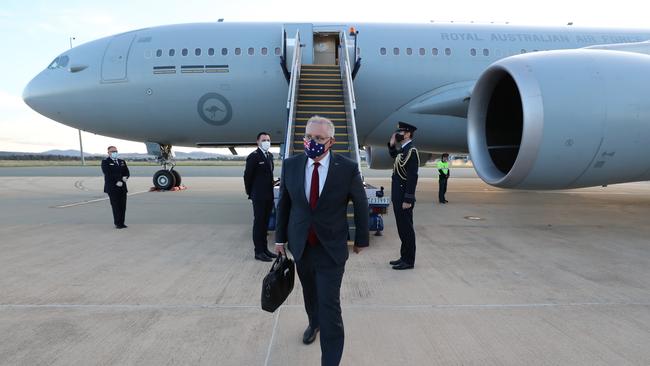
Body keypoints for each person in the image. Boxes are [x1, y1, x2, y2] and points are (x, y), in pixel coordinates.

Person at [275, 116, 368, 366]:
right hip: (302, 245)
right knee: (310, 294)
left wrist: (361, 238)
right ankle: (313, 323)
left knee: (330, 305)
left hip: (331, 248)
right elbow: (284, 203)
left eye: (318, 138)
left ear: (331, 142)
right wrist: (280, 239)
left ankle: (330, 360)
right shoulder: (291, 165)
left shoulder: (346, 168)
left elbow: (360, 203)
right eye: (308, 137)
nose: (311, 142)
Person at [387, 122, 419, 270]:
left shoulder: (412, 151)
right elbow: (394, 156)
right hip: (398, 194)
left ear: (408, 134)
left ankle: (409, 260)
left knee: (406, 228)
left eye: (401, 131)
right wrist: (392, 144)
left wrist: (408, 198)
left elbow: (412, 177)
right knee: (401, 227)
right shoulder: (403, 150)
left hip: (404, 196)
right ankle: (403, 257)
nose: (398, 133)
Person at [244, 132, 278, 262]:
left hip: (269, 195)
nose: (267, 142)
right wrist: (250, 193)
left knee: (265, 224)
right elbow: (247, 177)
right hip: (258, 196)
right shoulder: (253, 157)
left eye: (268, 140)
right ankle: (258, 251)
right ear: (258, 141)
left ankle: (265, 250)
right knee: (259, 223)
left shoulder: (269, 156)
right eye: (264, 140)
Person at [101, 146, 130, 229]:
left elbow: (126, 171)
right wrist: (117, 181)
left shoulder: (121, 161)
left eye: (116, 151)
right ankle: (118, 223)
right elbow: (108, 173)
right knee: (116, 205)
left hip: (122, 187)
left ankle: (122, 222)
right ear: (108, 153)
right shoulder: (105, 162)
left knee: (123, 206)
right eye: (112, 151)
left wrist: (126, 177)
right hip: (113, 187)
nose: (114, 152)